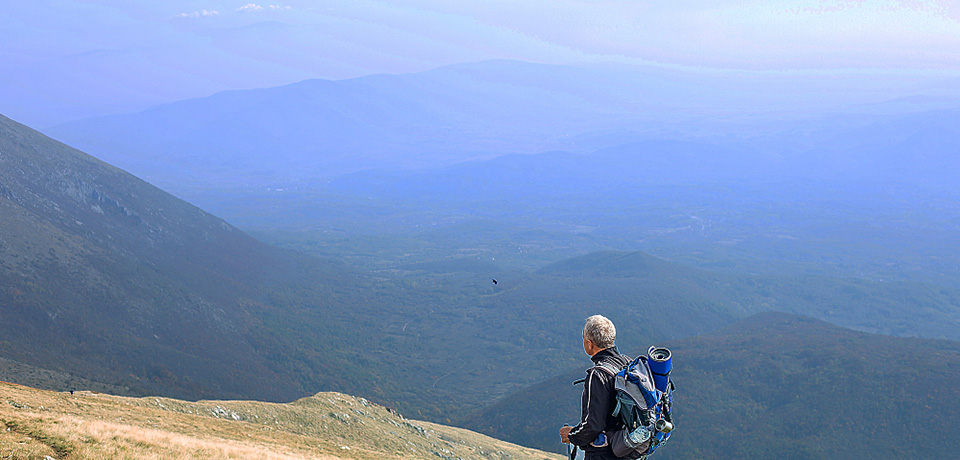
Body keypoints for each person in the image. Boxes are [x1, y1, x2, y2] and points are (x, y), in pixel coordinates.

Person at [560, 315, 630, 460]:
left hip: (603, 453)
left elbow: (593, 425)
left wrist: (571, 435)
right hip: (626, 449)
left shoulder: (598, 375)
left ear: (589, 344)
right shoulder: (628, 364)